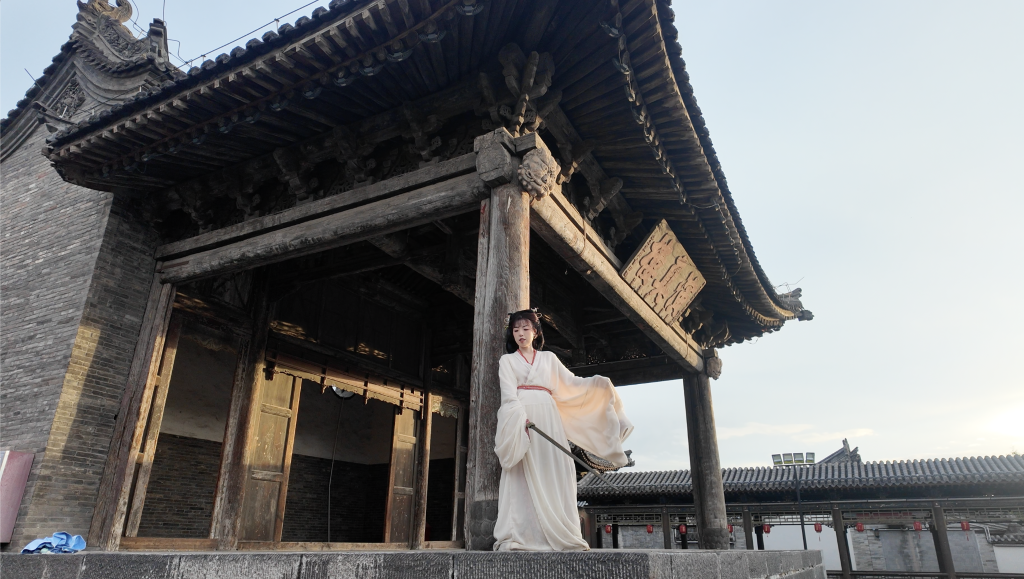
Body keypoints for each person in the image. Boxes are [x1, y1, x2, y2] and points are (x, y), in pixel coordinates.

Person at [492, 309, 634, 551]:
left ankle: (558, 532)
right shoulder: (507, 361)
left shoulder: (549, 359)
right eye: (516, 330)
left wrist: (598, 384)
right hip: (522, 420)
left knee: (553, 469)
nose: (521, 334)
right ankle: (521, 535)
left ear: (536, 332)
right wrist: (519, 419)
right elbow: (508, 395)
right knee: (522, 475)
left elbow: (571, 384)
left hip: (548, 418)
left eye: (525, 329)